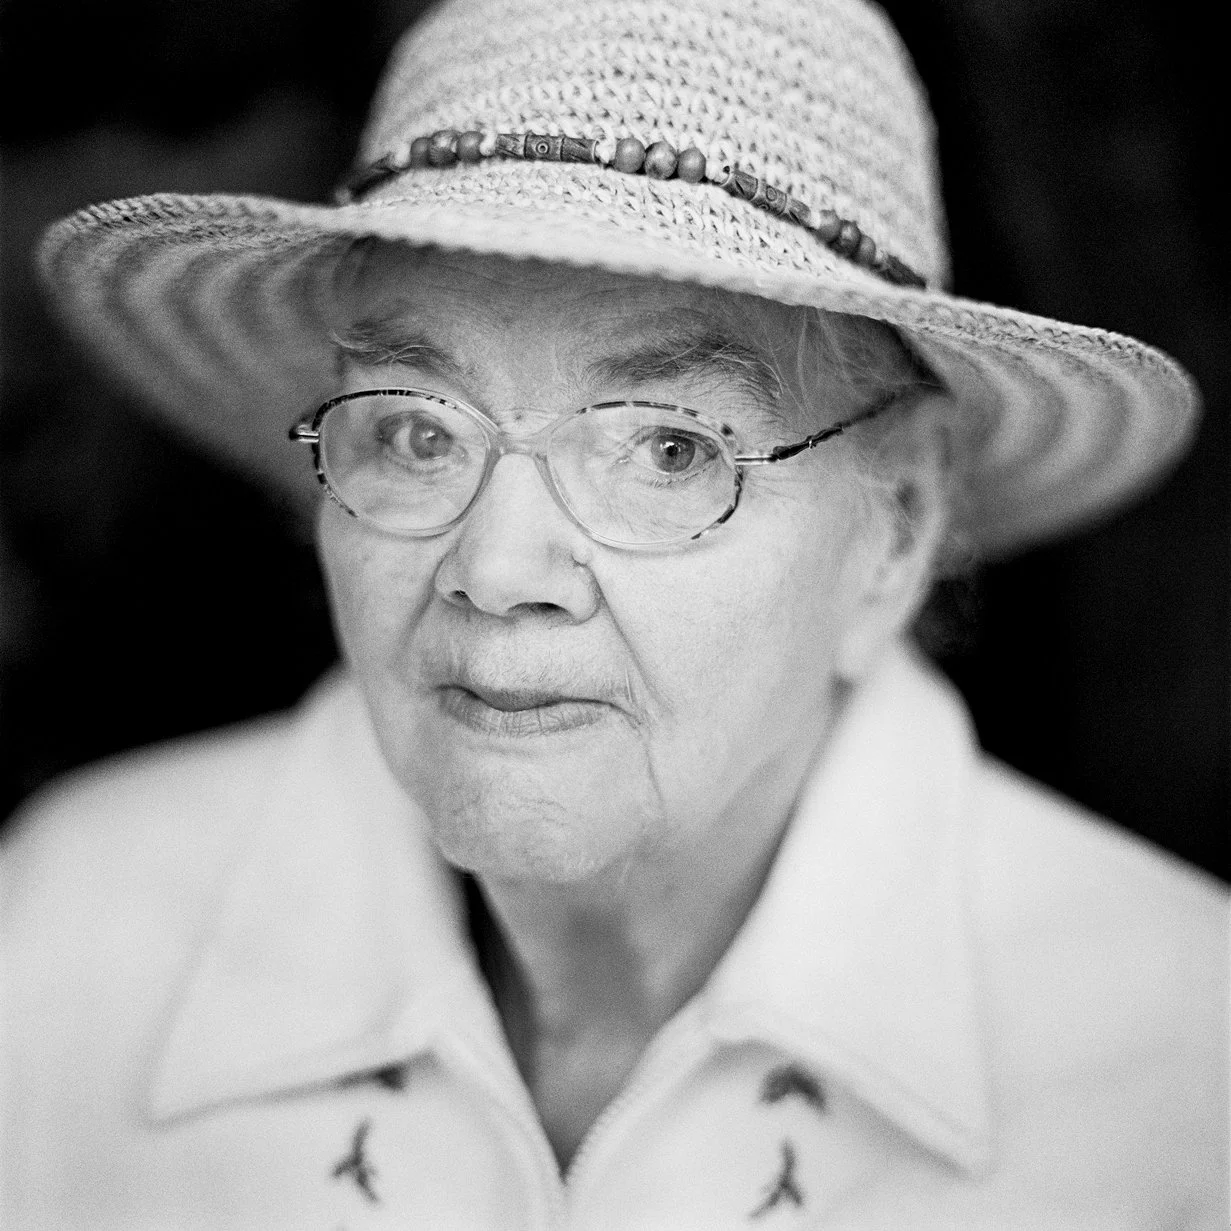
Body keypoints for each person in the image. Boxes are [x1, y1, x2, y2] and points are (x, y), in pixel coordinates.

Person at [3, 0, 1225, 1226]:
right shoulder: (73, 931)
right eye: (418, 430)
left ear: (895, 527)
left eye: (669, 449)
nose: (496, 568)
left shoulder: (1179, 1062)